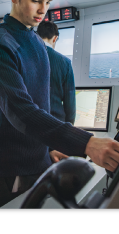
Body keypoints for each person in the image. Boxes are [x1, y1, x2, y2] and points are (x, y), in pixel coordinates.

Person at [0, 0, 119, 209]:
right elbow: (22, 112)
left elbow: (41, 105)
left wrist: (49, 148)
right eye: (36, 0)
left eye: (47, 2)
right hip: (14, 168)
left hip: (39, 161)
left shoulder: (36, 41)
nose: (42, 10)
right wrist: (88, 143)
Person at [36, 20, 76, 165]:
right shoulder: (64, 62)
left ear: (37, 35)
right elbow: (70, 104)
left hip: (32, 132)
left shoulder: (26, 59)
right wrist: (67, 134)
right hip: (56, 131)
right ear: (55, 38)